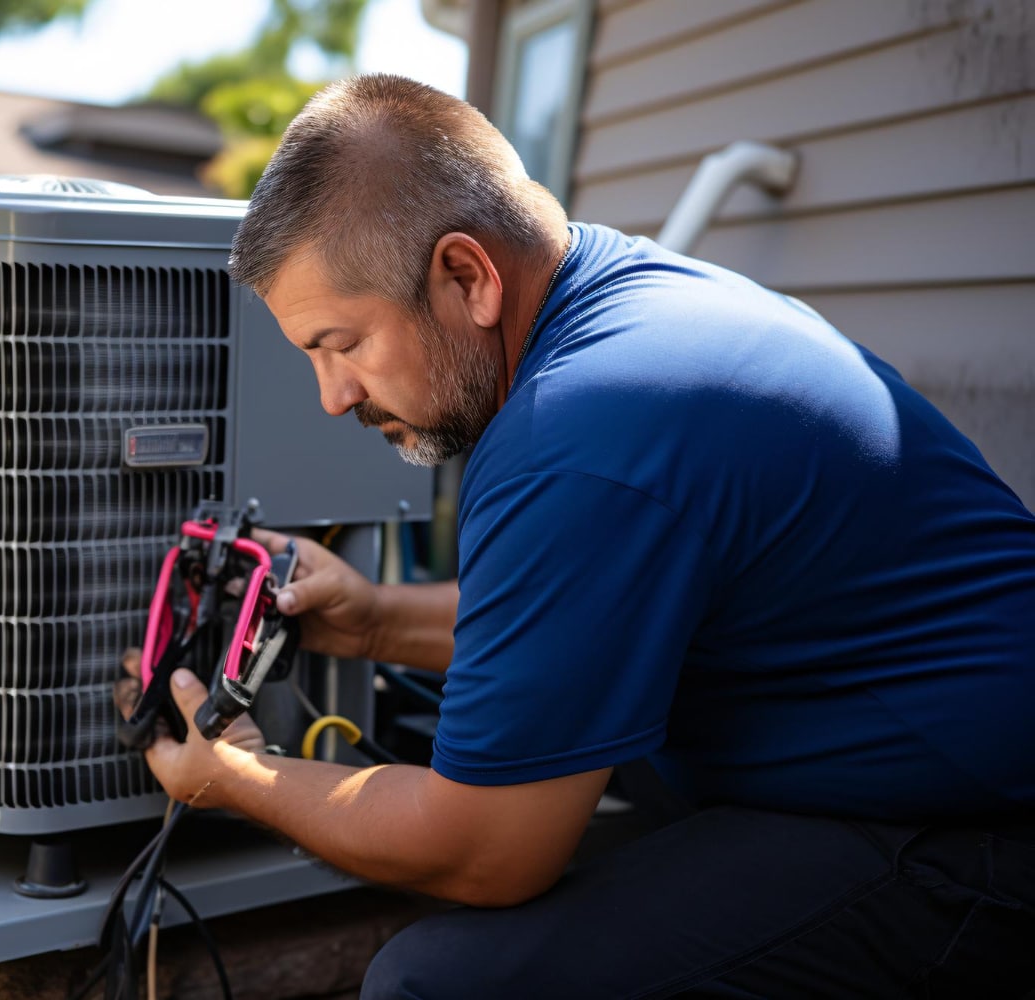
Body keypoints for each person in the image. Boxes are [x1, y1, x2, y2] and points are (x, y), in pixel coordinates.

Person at [121, 74, 1035, 997]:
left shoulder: (578, 428)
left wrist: (239, 776)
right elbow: (584, 613)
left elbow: (484, 851)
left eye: (342, 343)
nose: (334, 395)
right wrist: (371, 621)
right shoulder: (627, 305)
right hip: (920, 763)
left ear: (467, 276)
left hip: (978, 836)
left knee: (437, 983)